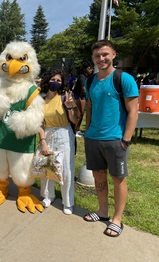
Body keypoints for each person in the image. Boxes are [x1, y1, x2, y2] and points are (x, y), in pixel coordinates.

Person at [83, 39, 138, 237]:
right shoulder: (90, 81)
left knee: (118, 179)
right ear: (93, 58)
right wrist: (87, 130)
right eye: (97, 56)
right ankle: (103, 211)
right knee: (98, 176)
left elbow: (133, 112)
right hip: (93, 138)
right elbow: (90, 107)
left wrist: (126, 139)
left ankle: (117, 219)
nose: (101, 59)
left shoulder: (124, 79)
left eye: (105, 54)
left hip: (115, 139)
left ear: (114, 54)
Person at [38, 69, 80, 215]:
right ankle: (48, 195)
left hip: (64, 133)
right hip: (48, 133)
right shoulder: (41, 99)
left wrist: (69, 107)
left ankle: (67, 202)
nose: (55, 83)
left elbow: (75, 120)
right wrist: (43, 141)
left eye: (58, 80)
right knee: (48, 166)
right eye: (52, 79)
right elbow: (40, 124)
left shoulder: (65, 97)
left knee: (66, 169)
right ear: (46, 80)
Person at [72, 61, 94, 137]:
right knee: (78, 114)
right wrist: (90, 97)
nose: (91, 69)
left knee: (81, 114)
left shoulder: (88, 77)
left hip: (82, 96)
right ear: (85, 69)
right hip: (77, 95)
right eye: (89, 68)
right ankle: (74, 130)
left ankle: (77, 130)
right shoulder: (82, 77)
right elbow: (83, 89)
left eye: (92, 68)